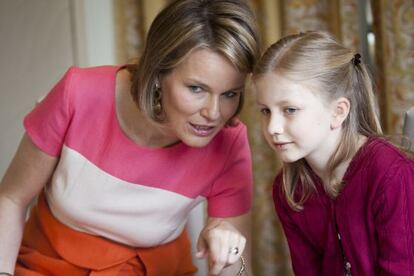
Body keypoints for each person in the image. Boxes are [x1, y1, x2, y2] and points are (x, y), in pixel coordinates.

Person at [0, 0, 260, 275]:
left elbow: (240, 270)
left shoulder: (229, 143)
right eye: (196, 88)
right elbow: (11, 199)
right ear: (159, 72)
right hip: (44, 266)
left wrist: (233, 255)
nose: (214, 113)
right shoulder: (78, 94)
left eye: (230, 94)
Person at [253, 31, 414, 275]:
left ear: (338, 112)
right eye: (265, 111)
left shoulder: (391, 175)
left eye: (290, 110)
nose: (273, 128)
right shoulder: (289, 190)